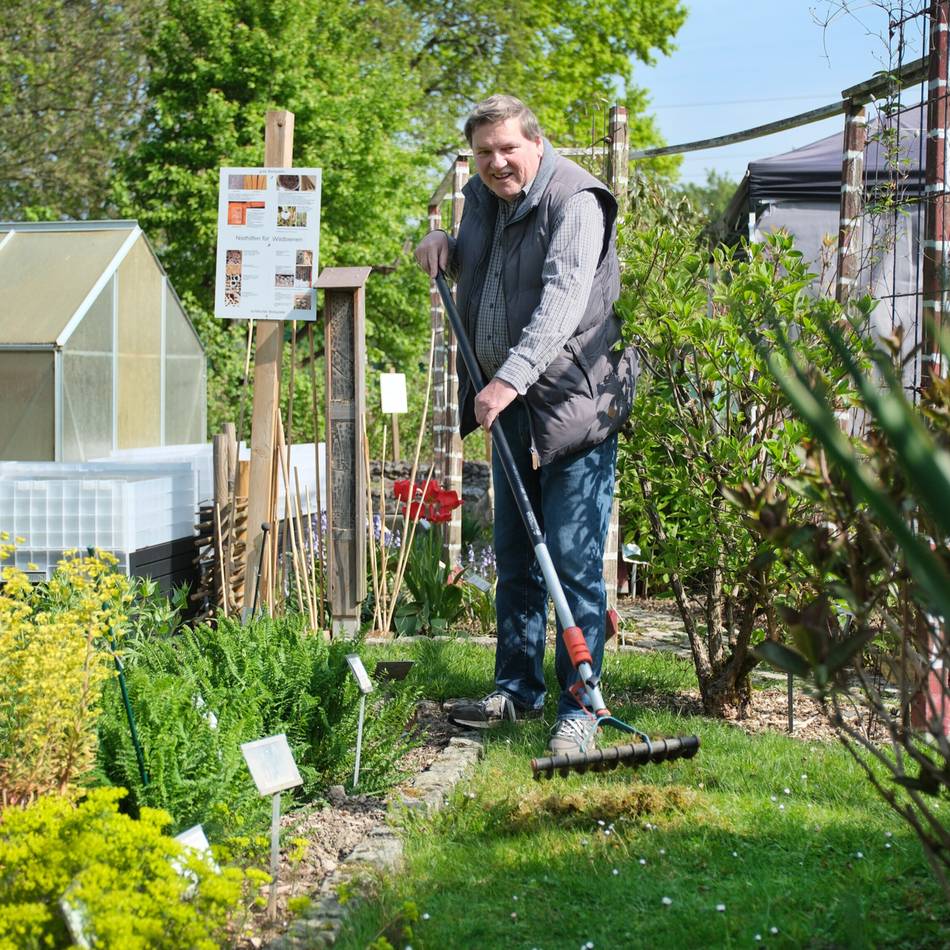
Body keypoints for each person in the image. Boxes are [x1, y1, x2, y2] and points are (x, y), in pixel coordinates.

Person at [414, 95, 637, 755]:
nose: (496, 162)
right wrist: (445, 248)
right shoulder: (483, 197)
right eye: (484, 152)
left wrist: (508, 377)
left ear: (534, 142)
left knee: (570, 561)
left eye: (507, 148)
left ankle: (581, 710)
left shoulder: (577, 200)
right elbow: (490, 269)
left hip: (572, 406)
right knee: (515, 555)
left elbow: (562, 295)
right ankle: (515, 690)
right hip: (507, 405)